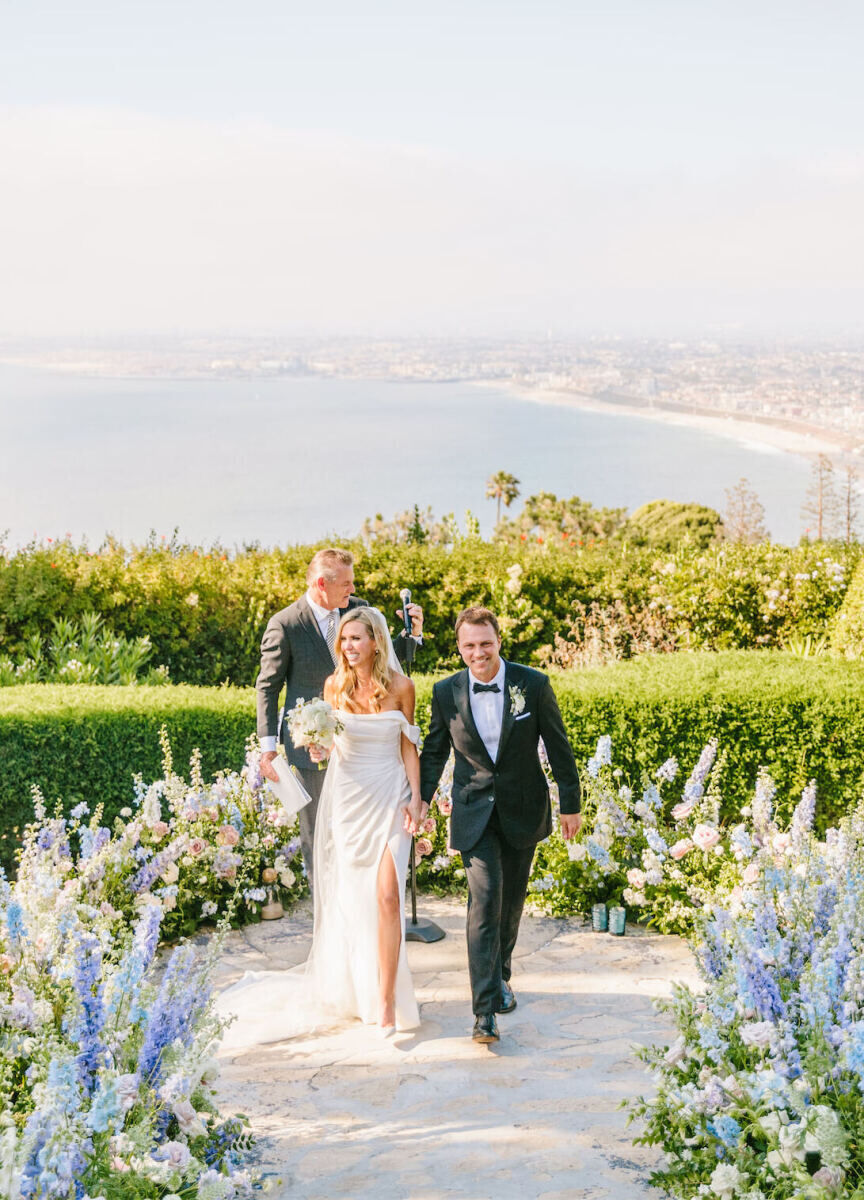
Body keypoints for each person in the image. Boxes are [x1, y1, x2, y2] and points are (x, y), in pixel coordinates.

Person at [218, 607, 423, 1048]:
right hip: (349, 800)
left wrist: (418, 799)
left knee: (388, 897)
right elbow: (328, 750)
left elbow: (409, 747)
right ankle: (356, 989)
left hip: (390, 795)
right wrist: (316, 749)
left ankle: (387, 1001)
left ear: (376, 642)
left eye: (357, 639)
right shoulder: (333, 687)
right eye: (344, 640)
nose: (349, 647)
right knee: (353, 899)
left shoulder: (403, 687)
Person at [419, 606, 582, 1044]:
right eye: (469, 645)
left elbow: (558, 745)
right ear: (459, 647)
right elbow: (434, 751)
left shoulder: (533, 684)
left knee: (510, 903)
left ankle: (502, 976)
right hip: (474, 810)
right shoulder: (444, 691)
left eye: (485, 643)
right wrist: (420, 798)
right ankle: (484, 1010)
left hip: (523, 808)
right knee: (485, 900)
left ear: (498, 641)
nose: (478, 653)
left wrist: (571, 803)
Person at [256, 546, 422, 892]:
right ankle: (327, 917)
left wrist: (413, 636)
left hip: (365, 749)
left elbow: (391, 664)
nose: (352, 589)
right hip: (313, 749)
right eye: (345, 583)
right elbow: (268, 687)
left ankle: (369, 904)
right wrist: (268, 749)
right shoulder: (285, 624)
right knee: (318, 835)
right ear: (321, 583)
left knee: (363, 836)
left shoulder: (361, 611)